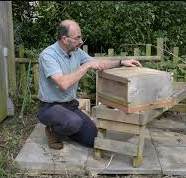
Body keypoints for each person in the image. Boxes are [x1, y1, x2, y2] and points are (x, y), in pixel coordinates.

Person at [37, 19, 142, 150]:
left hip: (70, 105)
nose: (81, 41)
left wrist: (121, 62)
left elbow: (98, 63)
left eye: (81, 37)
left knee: (93, 138)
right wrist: (85, 66)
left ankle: (67, 128)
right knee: (74, 122)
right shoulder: (48, 55)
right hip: (50, 107)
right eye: (77, 38)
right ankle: (53, 132)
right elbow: (64, 84)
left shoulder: (76, 52)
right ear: (64, 39)